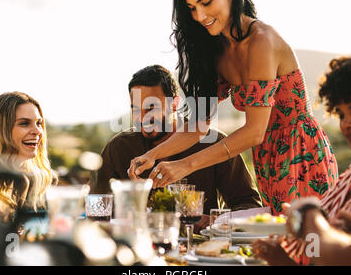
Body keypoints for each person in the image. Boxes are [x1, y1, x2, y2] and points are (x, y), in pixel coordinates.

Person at [128, 0, 338, 215]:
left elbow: (254, 132)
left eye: (206, 2)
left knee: (310, 243)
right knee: (282, 242)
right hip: (267, 158)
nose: (200, 16)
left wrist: (186, 165)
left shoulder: (262, 41)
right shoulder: (217, 50)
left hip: (302, 152)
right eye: (192, 8)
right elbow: (198, 126)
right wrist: (152, 155)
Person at [252, 50, 351, 265]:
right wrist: (282, 259)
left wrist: (308, 214)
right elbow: (318, 253)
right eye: (341, 114)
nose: (346, 124)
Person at [95, 65, 262, 215]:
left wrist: (212, 221)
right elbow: (96, 204)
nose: (143, 118)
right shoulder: (119, 147)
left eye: (151, 108)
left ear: (174, 104)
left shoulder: (214, 143)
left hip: (201, 247)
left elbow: (250, 205)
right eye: (136, 110)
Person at [0, 91, 56, 218]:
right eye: (24, 123)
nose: (37, 131)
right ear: (0, 129)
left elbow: (12, 235)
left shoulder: (20, 181)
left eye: (38, 123)